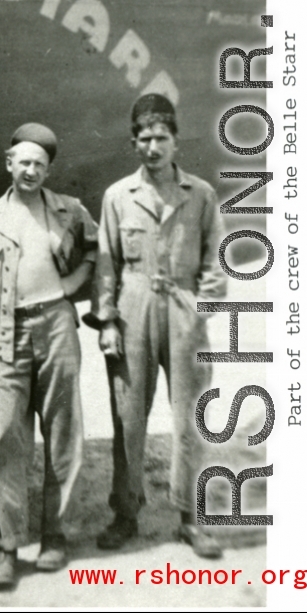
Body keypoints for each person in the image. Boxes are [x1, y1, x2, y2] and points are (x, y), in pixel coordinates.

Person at [0, 123, 97, 589]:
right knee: (1, 441)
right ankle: (7, 546)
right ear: (8, 162)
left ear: (48, 169)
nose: (31, 170)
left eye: (40, 164)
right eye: (24, 162)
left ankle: (55, 536)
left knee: (63, 433)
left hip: (55, 327)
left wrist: (73, 289)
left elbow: (99, 250)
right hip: (0, 334)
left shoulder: (69, 210)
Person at [95, 94, 226, 558]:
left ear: (175, 142)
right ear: (134, 144)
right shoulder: (117, 196)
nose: (153, 147)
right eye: (145, 139)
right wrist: (107, 321)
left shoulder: (201, 194)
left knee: (190, 415)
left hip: (183, 308)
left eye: (161, 138)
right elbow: (106, 265)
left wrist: (204, 307)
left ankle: (191, 519)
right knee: (127, 416)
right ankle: (125, 513)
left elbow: (215, 258)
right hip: (133, 307)